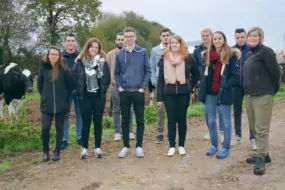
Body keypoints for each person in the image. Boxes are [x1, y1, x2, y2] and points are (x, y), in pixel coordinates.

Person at [243, 27, 280, 175]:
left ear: (261, 37)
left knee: (261, 127)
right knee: (253, 126)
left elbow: (276, 73)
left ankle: (260, 158)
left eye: (255, 36)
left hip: (263, 95)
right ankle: (264, 154)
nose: (252, 38)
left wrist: (271, 90)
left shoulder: (266, 52)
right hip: (250, 96)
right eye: (250, 36)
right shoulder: (249, 53)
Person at [198, 31, 240, 159]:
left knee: (226, 121)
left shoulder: (231, 55)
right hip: (210, 93)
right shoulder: (208, 55)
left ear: (224, 39)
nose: (217, 41)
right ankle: (214, 146)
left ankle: (225, 148)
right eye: (215, 39)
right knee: (210, 120)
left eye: (219, 38)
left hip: (224, 93)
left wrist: (225, 85)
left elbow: (235, 76)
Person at [157, 35, 200, 156]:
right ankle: (171, 146)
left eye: (177, 43)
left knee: (181, 119)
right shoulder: (163, 59)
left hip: (183, 94)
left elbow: (196, 75)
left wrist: (189, 87)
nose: (174, 45)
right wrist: (159, 98)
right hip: (168, 93)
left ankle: (181, 145)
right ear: (169, 44)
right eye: (172, 43)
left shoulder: (188, 58)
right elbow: (160, 80)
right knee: (171, 119)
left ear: (181, 44)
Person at [115, 27, 151, 158]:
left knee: (140, 119)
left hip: (138, 91)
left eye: (131, 36)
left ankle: (139, 146)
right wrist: (119, 87)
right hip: (124, 91)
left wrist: (142, 87)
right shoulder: (120, 54)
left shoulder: (142, 52)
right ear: (124, 38)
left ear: (135, 37)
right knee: (125, 119)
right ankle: (125, 146)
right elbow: (116, 73)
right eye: (127, 36)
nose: (129, 38)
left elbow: (148, 71)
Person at [73, 38, 110, 159]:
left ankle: (98, 148)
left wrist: (102, 91)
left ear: (99, 49)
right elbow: (75, 78)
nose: (94, 49)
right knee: (86, 122)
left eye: (96, 47)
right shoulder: (79, 62)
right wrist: (79, 91)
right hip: (84, 97)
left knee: (98, 122)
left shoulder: (103, 62)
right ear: (87, 47)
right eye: (92, 47)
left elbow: (106, 79)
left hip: (98, 97)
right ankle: (84, 148)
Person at [37, 46, 75, 162]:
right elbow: (39, 85)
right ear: (48, 55)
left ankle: (57, 151)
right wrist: (45, 96)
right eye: (52, 54)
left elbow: (71, 85)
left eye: (56, 54)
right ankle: (46, 152)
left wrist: (64, 96)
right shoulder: (43, 67)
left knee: (59, 128)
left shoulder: (63, 68)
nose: (54, 56)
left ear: (59, 56)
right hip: (46, 105)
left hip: (61, 104)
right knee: (45, 128)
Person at [193, 28, 224, 141]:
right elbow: (195, 67)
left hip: (219, 83)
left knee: (220, 109)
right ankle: (211, 130)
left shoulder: (218, 49)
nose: (205, 37)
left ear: (211, 36)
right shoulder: (197, 51)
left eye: (207, 35)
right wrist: (197, 80)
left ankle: (222, 131)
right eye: (203, 36)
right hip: (204, 84)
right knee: (207, 111)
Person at [230, 28, 256, 150]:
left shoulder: (251, 49)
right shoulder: (231, 51)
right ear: (235, 38)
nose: (240, 39)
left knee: (251, 111)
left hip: (250, 85)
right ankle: (238, 135)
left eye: (242, 37)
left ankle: (253, 138)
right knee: (237, 110)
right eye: (237, 37)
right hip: (236, 86)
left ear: (245, 37)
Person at [106, 32, 135, 141]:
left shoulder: (132, 53)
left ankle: (130, 131)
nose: (120, 41)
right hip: (115, 86)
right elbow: (107, 70)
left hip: (129, 86)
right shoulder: (110, 54)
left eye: (122, 39)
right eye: (118, 39)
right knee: (116, 109)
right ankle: (117, 132)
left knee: (130, 109)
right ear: (115, 41)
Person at [61, 33, 82, 150]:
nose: (70, 43)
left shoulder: (81, 56)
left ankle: (79, 137)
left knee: (80, 114)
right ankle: (64, 139)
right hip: (65, 91)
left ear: (76, 43)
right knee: (65, 115)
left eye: (72, 40)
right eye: (68, 40)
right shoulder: (60, 57)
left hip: (78, 90)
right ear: (65, 42)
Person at [150, 28, 171, 143]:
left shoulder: (174, 47)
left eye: (167, 35)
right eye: (163, 35)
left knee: (171, 109)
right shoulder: (155, 50)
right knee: (160, 109)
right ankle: (160, 132)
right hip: (160, 83)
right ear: (160, 37)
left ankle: (170, 132)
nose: (165, 37)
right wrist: (154, 81)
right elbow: (152, 67)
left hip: (172, 82)